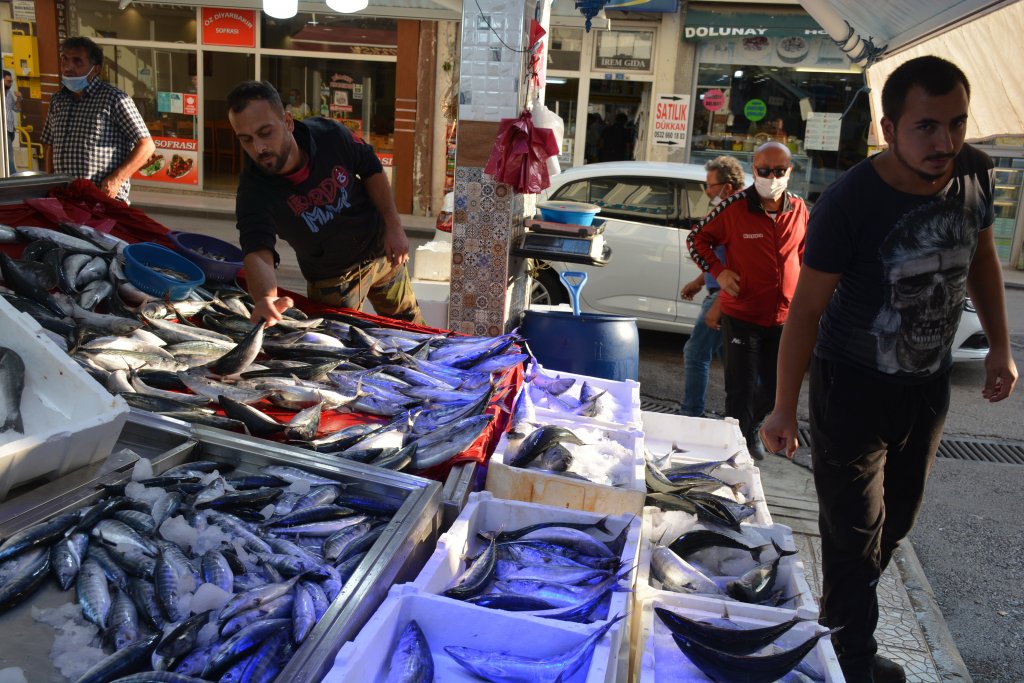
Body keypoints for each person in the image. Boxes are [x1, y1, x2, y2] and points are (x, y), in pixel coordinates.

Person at [760, 56, 1017, 683]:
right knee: (853, 533)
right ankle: (850, 661)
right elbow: (806, 311)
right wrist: (784, 406)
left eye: (956, 123)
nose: (945, 141)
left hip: (926, 386)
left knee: (894, 523)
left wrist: (1001, 348)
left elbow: (983, 259)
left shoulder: (976, 173)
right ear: (888, 128)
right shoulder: (850, 201)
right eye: (927, 126)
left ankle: (839, 621)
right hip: (851, 385)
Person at [226, 80, 424, 328]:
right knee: (341, 348)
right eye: (246, 139)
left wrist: (393, 226)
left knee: (416, 331)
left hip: (383, 254)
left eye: (265, 133)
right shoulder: (253, 191)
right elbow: (257, 250)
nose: (259, 148)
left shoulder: (329, 135)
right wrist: (265, 297)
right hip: (333, 282)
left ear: (288, 122)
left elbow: (371, 168)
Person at [687, 142, 808, 460]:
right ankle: (736, 448)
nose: (772, 177)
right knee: (740, 388)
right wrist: (719, 272)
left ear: (789, 171)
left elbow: (806, 254)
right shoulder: (735, 207)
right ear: (754, 170)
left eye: (779, 171)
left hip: (784, 318)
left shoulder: (798, 208)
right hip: (742, 315)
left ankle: (749, 429)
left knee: (774, 388)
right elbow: (697, 239)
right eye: (765, 170)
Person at [41, 36, 155, 203]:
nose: (68, 67)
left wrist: (116, 179)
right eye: (64, 59)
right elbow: (50, 144)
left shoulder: (114, 99)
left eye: (77, 61)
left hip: (102, 198)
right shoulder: (57, 100)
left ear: (95, 69)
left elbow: (146, 145)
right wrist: (50, 182)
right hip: (65, 198)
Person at [678, 155, 745, 417]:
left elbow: (737, 267)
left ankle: (691, 414)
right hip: (721, 294)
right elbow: (719, 258)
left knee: (696, 353)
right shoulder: (730, 211)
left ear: (726, 187)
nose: (707, 192)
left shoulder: (734, 213)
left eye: (710, 186)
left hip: (724, 296)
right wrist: (699, 282)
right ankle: (742, 416)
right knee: (733, 361)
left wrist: (718, 304)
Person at [3, 71, 21, 175]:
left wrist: (19, 98)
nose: (10, 84)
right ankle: (12, 175)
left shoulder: (9, 93)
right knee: (8, 153)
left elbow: (16, 109)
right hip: (3, 129)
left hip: (10, 129)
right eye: (8, 81)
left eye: (11, 81)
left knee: (9, 152)